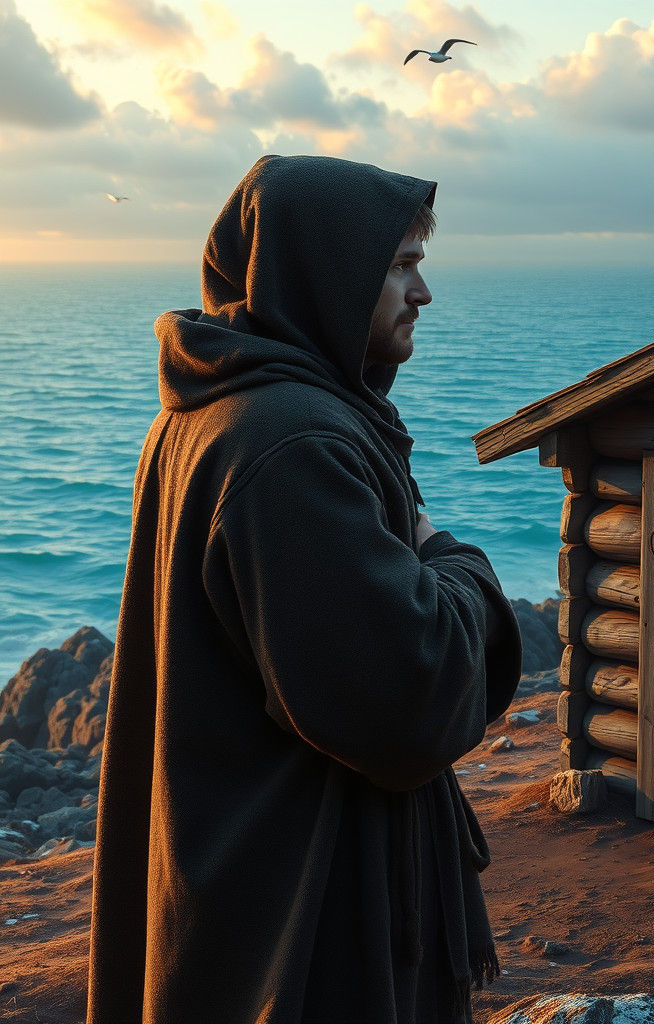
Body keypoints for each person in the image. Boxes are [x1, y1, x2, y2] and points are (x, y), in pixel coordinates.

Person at [86, 155, 522, 1024]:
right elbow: (412, 698)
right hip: (307, 916)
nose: (423, 293)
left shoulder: (208, 411)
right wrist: (452, 557)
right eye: (400, 266)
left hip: (241, 878)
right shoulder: (289, 446)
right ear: (324, 273)